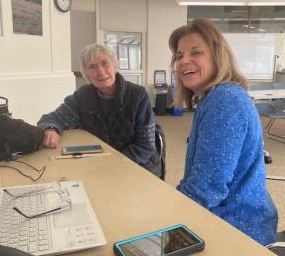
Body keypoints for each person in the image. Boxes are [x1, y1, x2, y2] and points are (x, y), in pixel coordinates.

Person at [168, 18, 277, 245]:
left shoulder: (225, 100)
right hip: (227, 217)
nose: (184, 60)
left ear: (218, 57)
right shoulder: (212, 97)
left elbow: (207, 188)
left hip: (237, 227)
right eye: (179, 55)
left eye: (196, 52)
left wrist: (166, 213)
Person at [37, 44, 161, 177]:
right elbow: (54, 118)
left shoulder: (138, 95)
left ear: (115, 66)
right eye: (92, 67)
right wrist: (51, 128)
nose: (100, 72)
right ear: (86, 73)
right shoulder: (83, 96)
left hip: (137, 165)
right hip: (97, 164)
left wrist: (113, 164)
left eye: (105, 63)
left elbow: (145, 146)